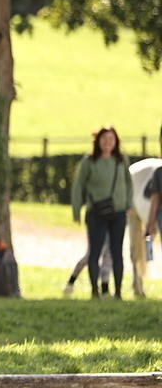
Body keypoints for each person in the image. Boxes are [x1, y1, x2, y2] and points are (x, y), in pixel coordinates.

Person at [70, 125, 133, 299]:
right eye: (104, 139)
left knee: (117, 252)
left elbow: (129, 183)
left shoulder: (121, 160)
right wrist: (76, 210)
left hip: (118, 212)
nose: (108, 143)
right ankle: (94, 291)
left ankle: (118, 292)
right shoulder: (89, 161)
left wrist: (129, 203)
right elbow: (79, 186)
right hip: (96, 212)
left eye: (111, 139)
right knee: (94, 252)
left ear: (116, 142)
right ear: (98, 141)